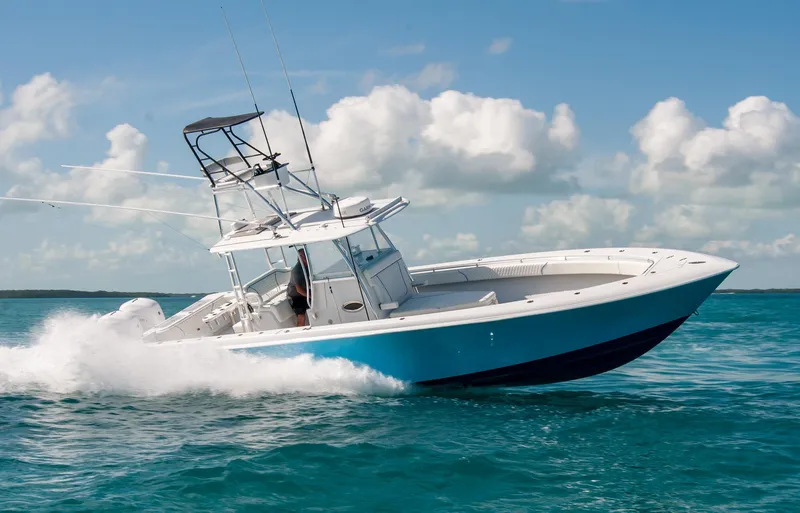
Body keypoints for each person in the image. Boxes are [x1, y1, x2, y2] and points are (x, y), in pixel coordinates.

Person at [286, 247, 310, 327]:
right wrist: (310, 296)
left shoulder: (309, 267)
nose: (307, 257)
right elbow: (299, 290)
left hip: (306, 291)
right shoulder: (297, 271)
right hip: (296, 296)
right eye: (304, 255)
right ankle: (300, 333)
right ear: (300, 258)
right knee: (301, 316)